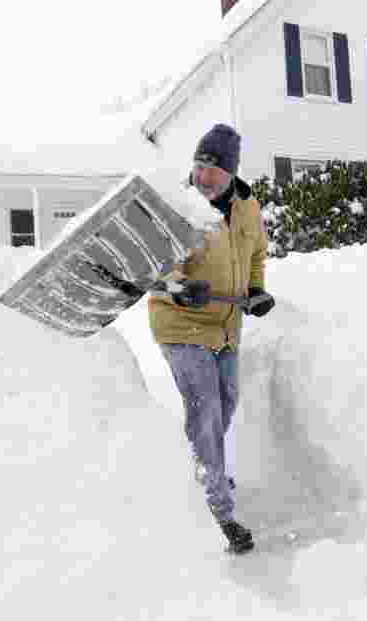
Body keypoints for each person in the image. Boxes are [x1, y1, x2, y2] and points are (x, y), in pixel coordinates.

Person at [148, 123, 276, 554]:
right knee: (206, 413)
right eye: (198, 165)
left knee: (226, 403)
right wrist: (177, 286)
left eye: (212, 169)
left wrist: (256, 289)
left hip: (225, 326)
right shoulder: (176, 204)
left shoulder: (248, 208)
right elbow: (149, 267)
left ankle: (210, 468)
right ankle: (221, 510)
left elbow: (256, 253)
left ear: (230, 174)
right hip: (180, 326)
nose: (202, 177)